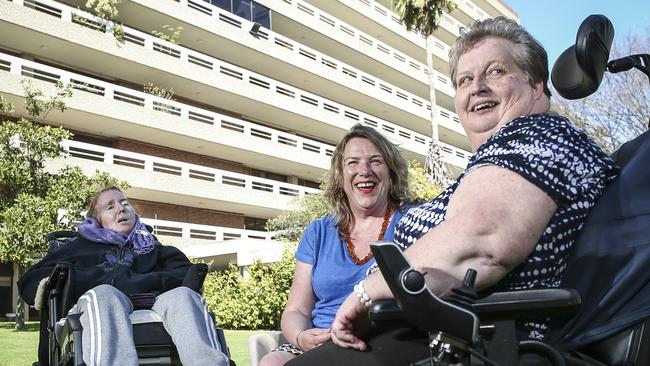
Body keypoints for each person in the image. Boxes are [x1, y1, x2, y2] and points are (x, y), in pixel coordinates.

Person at [286, 16, 619, 366]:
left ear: (536, 84)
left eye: (495, 72)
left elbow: (481, 241)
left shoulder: (538, 136)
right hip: (435, 334)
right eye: (465, 79)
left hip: (479, 343)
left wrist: (368, 292)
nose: (477, 87)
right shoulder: (501, 155)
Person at [18, 187, 228, 366]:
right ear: (97, 221)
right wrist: (91, 280)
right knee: (104, 294)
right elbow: (31, 280)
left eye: (125, 203)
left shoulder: (154, 248)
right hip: (101, 304)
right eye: (110, 207)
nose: (121, 208)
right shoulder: (77, 249)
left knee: (184, 296)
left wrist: (146, 282)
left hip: (153, 303)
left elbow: (185, 273)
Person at [258, 124, 411, 366]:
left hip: (380, 338)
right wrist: (300, 337)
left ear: (391, 174)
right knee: (272, 362)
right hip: (320, 341)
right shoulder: (318, 232)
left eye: (376, 161)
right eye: (353, 163)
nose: (364, 170)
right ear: (340, 178)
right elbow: (296, 309)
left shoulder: (411, 222)